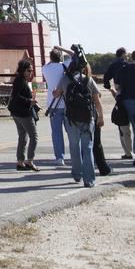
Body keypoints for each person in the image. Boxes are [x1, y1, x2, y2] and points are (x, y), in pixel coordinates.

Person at [53, 59, 104, 187]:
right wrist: (101, 117)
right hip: (88, 117)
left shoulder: (65, 79)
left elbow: (56, 95)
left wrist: (55, 90)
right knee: (87, 148)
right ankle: (89, 180)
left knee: (74, 147)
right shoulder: (88, 80)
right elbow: (97, 100)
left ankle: (77, 174)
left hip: (71, 118)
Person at [8, 57, 39, 171]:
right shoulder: (19, 80)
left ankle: (20, 162)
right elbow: (16, 96)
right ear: (22, 70)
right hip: (23, 113)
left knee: (23, 137)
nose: (31, 73)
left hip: (18, 112)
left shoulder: (24, 80)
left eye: (32, 70)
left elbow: (29, 93)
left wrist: (31, 99)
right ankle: (29, 160)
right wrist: (29, 101)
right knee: (34, 136)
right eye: (29, 70)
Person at [103, 47, 133, 158]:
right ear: (124, 54)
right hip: (132, 94)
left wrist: (110, 87)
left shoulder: (113, 66)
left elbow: (106, 78)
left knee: (123, 126)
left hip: (120, 95)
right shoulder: (129, 65)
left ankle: (128, 152)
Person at [41, 47, 70, 166]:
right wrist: (61, 48)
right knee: (72, 132)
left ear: (50, 58)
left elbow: (46, 64)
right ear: (61, 57)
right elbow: (74, 55)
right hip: (67, 104)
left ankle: (59, 157)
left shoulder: (45, 68)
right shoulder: (64, 66)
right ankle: (76, 154)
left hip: (53, 104)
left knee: (56, 133)